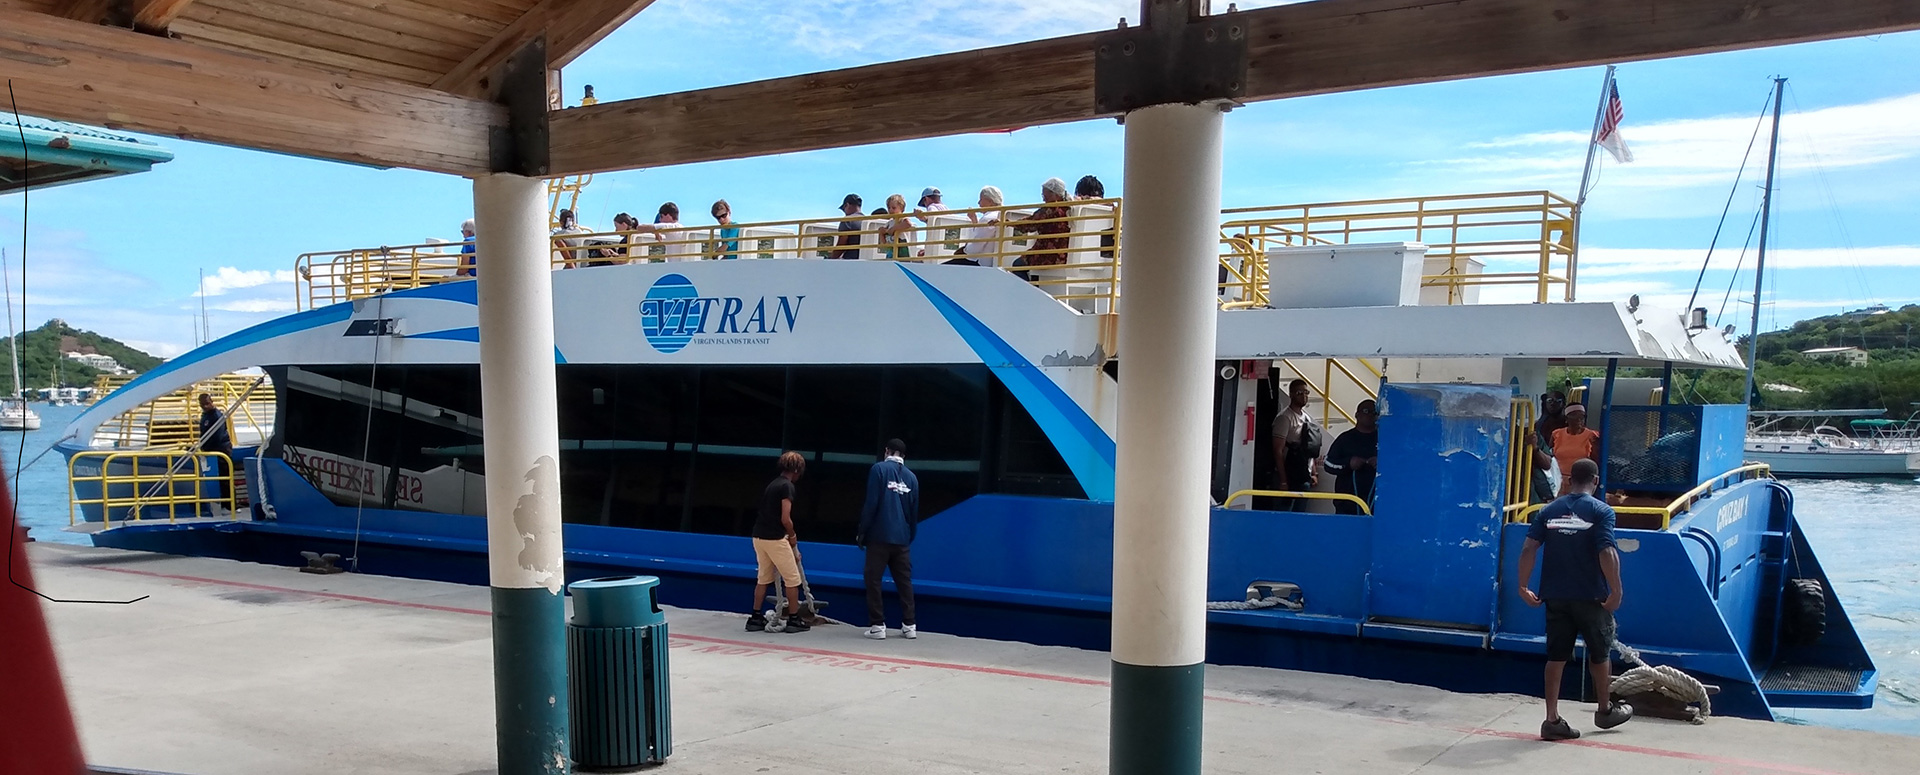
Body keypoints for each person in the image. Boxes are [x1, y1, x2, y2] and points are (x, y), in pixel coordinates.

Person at [1516, 458, 1633, 740]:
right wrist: (1616, 590)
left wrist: (1522, 586)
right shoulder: (1601, 511)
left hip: (1554, 596)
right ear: (1595, 481)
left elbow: (1529, 547)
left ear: (1569, 481)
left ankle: (1551, 719)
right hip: (1591, 596)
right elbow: (1607, 551)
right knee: (1600, 652)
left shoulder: (1548, 511)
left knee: (1556, 657)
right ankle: (1604, 710)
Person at [857, 439, 920, 640]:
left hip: (879, 536)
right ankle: (909, 625)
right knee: (904, 582)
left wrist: (862, 532)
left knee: (873, 579)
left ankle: (878, 625)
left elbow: (871, 503)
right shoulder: (912, 478)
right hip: (902, 539)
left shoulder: (878, 470)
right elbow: (913, 513)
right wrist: (908, 536)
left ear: (887, 451)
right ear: (904, 455)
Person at [746, 452, 811, 634]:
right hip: (775, 537)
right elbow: (786, 518)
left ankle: (755, 617)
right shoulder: (787, 487)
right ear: (797, 470)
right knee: (792, 579)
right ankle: (793, 619)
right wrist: (792, 536)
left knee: (763, 578)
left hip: (758, 537)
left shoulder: (772, 484)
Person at [1270, 379, 1322, 511]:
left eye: (1306, 392)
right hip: (1289, 473)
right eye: (1299, 392)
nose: (1304, 396)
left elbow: (1310, 448)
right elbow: (1278, 450)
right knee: (1285, 512)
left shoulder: (1306, 418)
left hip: (1304, 474)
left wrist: (1314, 473)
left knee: (1301, 513)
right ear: (1291, 394)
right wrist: (1283, 480)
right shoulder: (1284, 418)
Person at [1321, 399, 1378, 514]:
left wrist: (1382, 464)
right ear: (1357, 415)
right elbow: (1328, 464)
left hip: (1377, 505)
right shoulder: (1345, 439)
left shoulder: (1384, 439)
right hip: (1347, 505)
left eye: (1375, 412)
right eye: (1366, 411)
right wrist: (1348, 464)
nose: (1371, 415)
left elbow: (1398, 466)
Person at [1010, 177, 1072, 280]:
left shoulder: (1050, 210)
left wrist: (1009, 223)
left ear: (1055, 195)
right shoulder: (1068, 208)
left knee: (1017, 265)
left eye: (1045, 196)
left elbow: (1030, 224)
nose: (1043, 199)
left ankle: (1028, 292)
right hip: (1063, 255)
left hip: (1047, 254)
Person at [1551, 404, 1602, 496]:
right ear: (1567, 418)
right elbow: (1550, 456)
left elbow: (1596, 459)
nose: (1579, 419)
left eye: (1582, 416)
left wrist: (1595, 445)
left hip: (1581, 482)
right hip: (1558, 480)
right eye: (1574, 415)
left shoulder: (1592, 436)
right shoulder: (1556, 434)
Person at [950, 186, 1004, 266]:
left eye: (981, 199)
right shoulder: (1002, 215)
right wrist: (974, 220)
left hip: (981, 263)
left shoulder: (988, 218)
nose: (978, 203)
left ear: (990, 201)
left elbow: (974, 249)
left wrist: (963, 250)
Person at [197, 393, 234, 511]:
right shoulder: (205, 416)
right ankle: (224, 503)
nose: (205, 406)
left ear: (211, 402)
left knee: (225, 477)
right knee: (220, 478)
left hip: (222, 449)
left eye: (207, 404)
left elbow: (217, 437)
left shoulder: (217, 416)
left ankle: (230, 505)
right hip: (213, 449)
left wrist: (206, 448)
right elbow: (204, 433)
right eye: (203, 405)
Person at [1530, 391, 1567, 503]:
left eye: (1557, 401)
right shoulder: (1539, 424)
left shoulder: (1565, 423)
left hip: (1559, 471)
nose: (1552, 404)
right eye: (1549, 401)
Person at [878, 194, 912, 259]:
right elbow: (884, 242)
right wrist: (882, 233)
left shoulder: (902, 219)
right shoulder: (889, 223)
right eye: (889, 208)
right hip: (891, 248)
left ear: (902, 208)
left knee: (903, 261)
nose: (890, 210)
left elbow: (908, 224)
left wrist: (894, 228)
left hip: (902, 247)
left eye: (893, 208)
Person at [831, 194, 864, 259]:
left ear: (847, 205)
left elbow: (841, 245)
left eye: (844, 209)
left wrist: (831, 258)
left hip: (849, 260)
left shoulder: (847, 220)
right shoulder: (868, 221)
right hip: (864, 259)